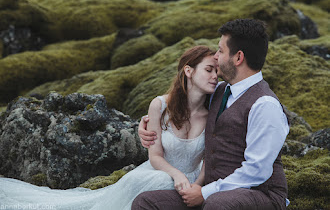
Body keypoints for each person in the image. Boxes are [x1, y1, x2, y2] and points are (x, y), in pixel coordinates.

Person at [0, 45, 218, 210]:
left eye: (217, 71)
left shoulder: (215, 113)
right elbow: (155, 156)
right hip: (159, 174)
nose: (215, 76)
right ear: (188, 71)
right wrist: (177, 176)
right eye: (209, 70)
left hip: (193, 182)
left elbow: (209, 159)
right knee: (160, 182)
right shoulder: (160, 106)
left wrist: (197, 186)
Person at [132, 19, 290, 210]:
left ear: (238, 58)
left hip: (260, 195)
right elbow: (183, 99)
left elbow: (257, 171)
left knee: (217, 205)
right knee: (147, 203)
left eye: (220, 51)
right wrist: (150, 122)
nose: (216, 56)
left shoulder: (265, 105)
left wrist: (205, 192)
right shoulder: (220, 91)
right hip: (212, 192)